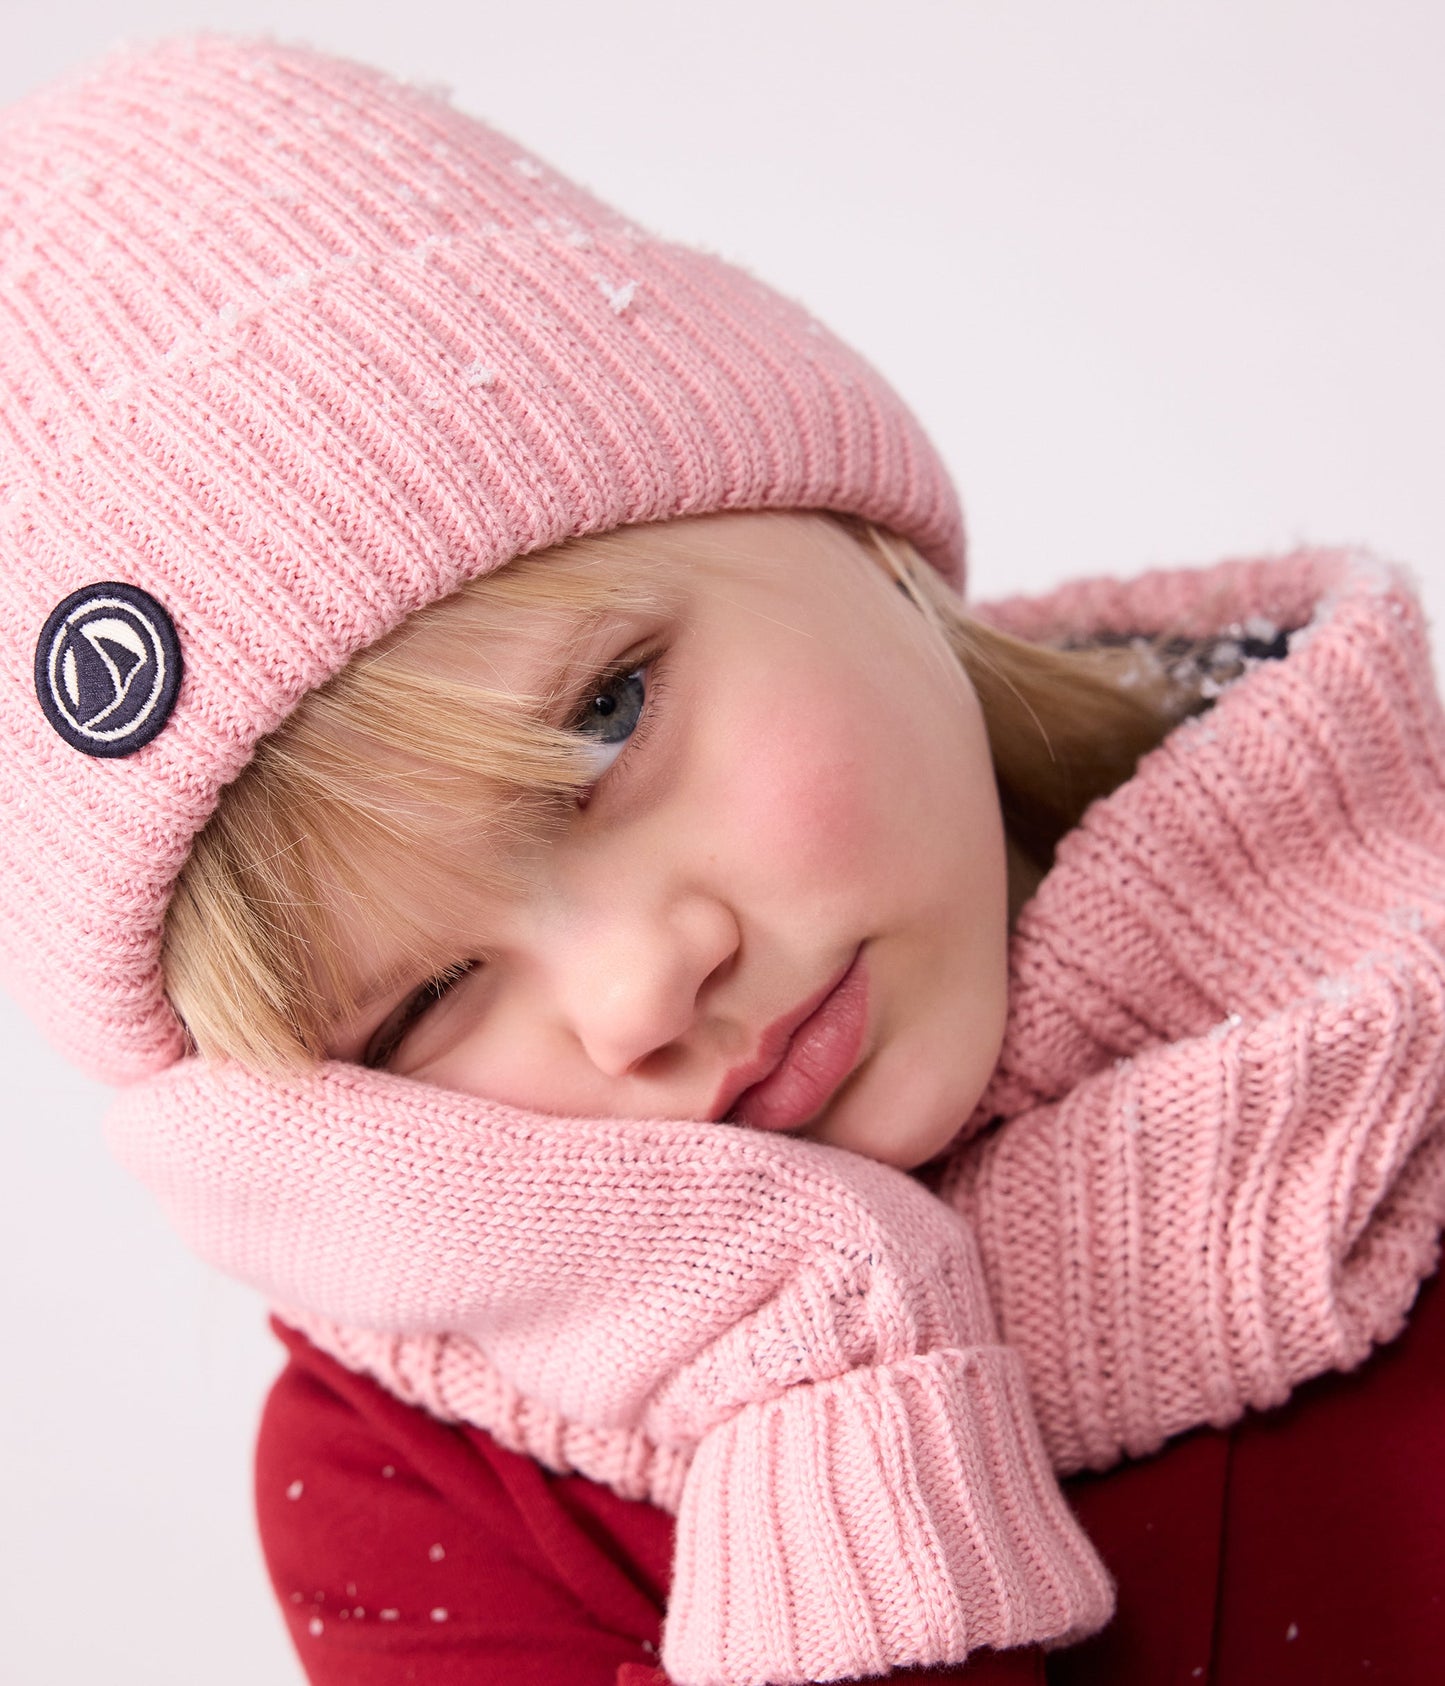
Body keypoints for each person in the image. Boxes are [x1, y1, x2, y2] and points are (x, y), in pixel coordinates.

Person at [2, 33, 1444, 1686]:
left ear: (837, 517)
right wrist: (826, 1391)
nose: (637, 987)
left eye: (606, 720)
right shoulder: (422, 1476)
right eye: (420, 1007)